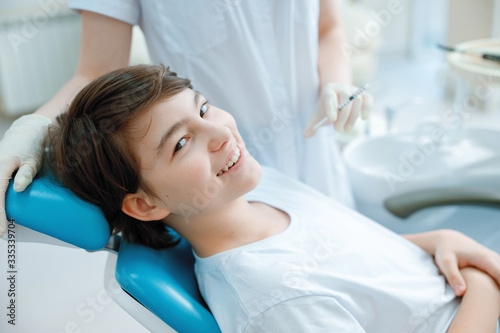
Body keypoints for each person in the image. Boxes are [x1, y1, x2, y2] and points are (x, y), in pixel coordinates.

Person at [47, 65, 500, 332]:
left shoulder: (254, 188)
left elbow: (351, 265)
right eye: (181, 143)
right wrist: (482, 283)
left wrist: (436, 239)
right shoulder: (276, 302)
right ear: (144, 205)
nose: (221, 133)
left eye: (203, 109)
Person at [0, 0, 374, 238]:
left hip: (316, 158)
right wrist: (32, 127)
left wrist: (337, 82)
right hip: (223, 191)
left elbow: (329, 30)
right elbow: (95, 72)